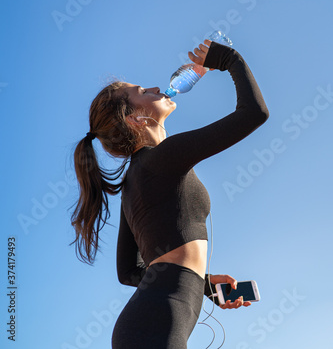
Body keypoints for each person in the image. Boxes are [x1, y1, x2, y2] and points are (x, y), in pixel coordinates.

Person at [71, 39, 269, 348]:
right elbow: (254, 113)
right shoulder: (161, 158)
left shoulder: (134, 183)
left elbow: (128, 271)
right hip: (154, 326)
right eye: (143, 92)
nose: (153, 87)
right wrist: (229, 58)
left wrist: (203, 285)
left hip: (147, 323)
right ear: (135, 119)